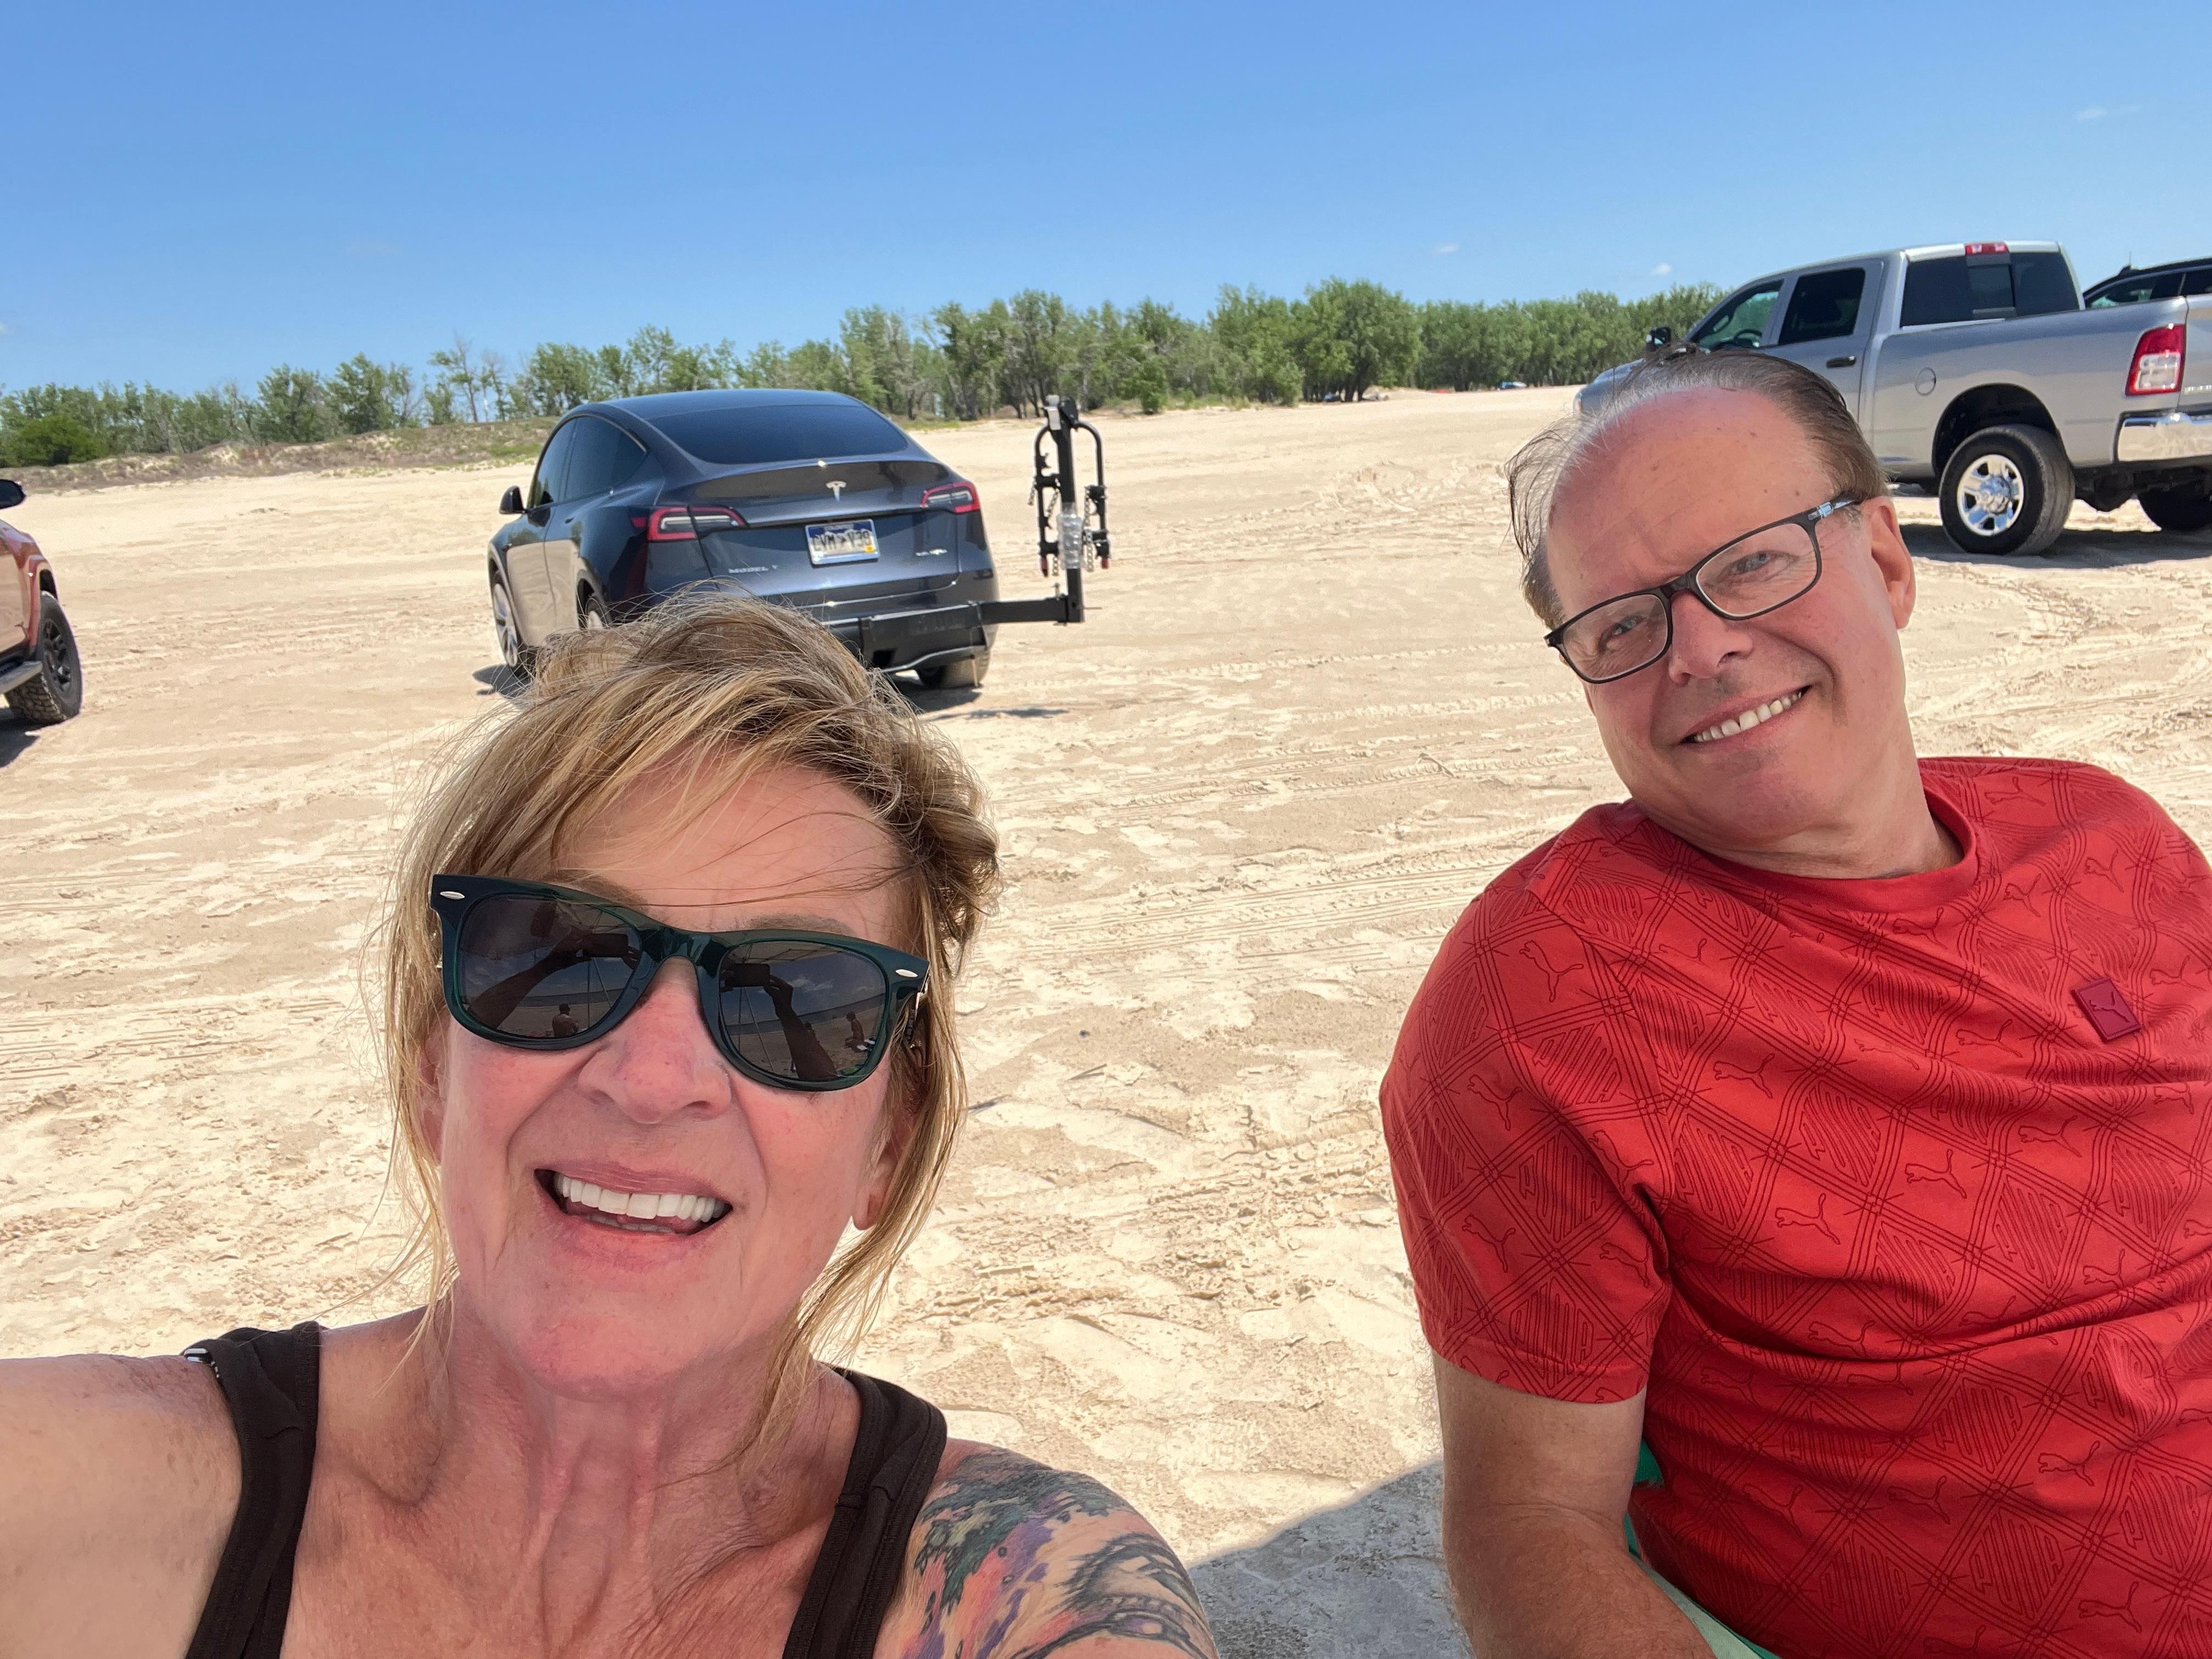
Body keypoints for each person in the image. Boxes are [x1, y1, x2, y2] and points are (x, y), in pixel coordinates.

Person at [0, 595, 1217, 1659]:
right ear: (433, 1069)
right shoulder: (66, 1493)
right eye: (560, 958)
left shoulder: (1019, 1594)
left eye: (798, 1000)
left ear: (888, 1147)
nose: (652, 1078)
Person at [1380, 348, 2212, 1658]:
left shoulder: (2112, 842)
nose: (1703, 648)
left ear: (1885, 560)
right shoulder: (1548, 1005)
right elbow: (1530, 1526)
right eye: (1622, 626)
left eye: (1755, 561)